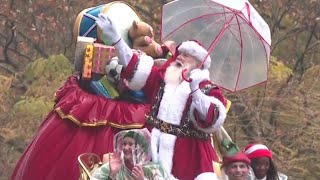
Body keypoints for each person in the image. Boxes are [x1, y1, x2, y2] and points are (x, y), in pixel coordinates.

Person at [96, 13, 228, 180]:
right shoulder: (163, 79)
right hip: (151, 146)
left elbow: (212, 119)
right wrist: (117, 40)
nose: (179, 56)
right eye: (179, 53)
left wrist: (196, 91)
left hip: (186, 156)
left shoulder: (208, 90)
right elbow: (134, 65)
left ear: (199, 63)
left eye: (186, 55)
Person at [91, 128, 167, 180]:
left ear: (141, 148)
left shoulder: (153, 169)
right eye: (124, 144)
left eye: (130, 144)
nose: (126, 148)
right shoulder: (113, 166)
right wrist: (112, 176)